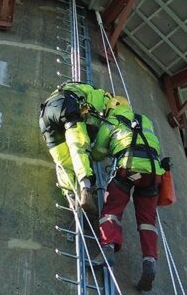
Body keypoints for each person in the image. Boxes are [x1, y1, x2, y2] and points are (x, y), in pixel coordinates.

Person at [91, 96, 165, 292]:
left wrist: (99, 153)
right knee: (148, 220)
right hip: (153, 172)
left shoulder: (111, 121)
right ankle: (150, 261)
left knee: (112, 209)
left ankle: (108, 248)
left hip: (129, 168)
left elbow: (98, 151)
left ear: (110, 109)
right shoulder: (145, 120)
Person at [39, 81, 111, 214]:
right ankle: (85, 188)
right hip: (66, 105)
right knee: (79, 145)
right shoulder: (102, 95)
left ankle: (70, 195)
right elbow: (93, 119)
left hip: (45, 116)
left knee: (63, 161)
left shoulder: (75, 87)